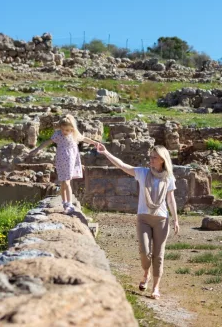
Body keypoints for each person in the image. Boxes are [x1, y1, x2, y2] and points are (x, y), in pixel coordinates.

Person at [97, 143, 179, 300]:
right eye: (150, 157)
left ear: (162, 160)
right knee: (144, 252)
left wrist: (176, 220)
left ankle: (155, 287)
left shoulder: (169, 178)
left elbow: (171, 199)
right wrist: (106, 152)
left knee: (159, 255)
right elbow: (122, 165)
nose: (151, 160)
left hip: (161, 219)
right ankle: (146, 272)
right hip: (143, 218)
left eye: (154, 157)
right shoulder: (142, 173)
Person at [29, 114, 99, 213]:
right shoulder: (58, 134)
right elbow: (48, 142)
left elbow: (84, 139)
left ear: (72, 129)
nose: (65, 132)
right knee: (62, 182)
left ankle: (69, 204)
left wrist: (95, 143)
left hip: (71, 160)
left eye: (67, 130)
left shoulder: (74, 134)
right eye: (63, 129)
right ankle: (64, 202)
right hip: (61, 160)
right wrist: (37, 149)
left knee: (67, 182)